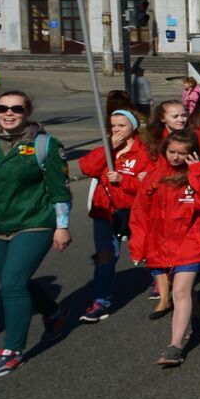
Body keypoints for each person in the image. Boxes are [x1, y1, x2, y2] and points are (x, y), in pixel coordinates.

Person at [0, 90, 73, 379]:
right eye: (2, 108)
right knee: (14, 281)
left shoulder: (45, 146)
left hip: (35, 221)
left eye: (16, 109)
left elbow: (59, 189)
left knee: (11, 284)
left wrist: (62, 226)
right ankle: (53, 313)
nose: (9, 113)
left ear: (27, 112)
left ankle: (12, 351)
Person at [128, 129, 200, 367]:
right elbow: (140, 213)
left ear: (191, 154)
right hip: (163, 244)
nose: (175, 157)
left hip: (192, 241)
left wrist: (197, 173)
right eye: (171, 151)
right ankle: (199, 317)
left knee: (180, 290)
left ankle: (175, 346)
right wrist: (137, 247)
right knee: (182, 287)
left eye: (181, 153)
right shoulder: (155, 176)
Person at [76, 109, 149, 322]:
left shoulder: (143, 152)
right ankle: (102, 300)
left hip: (132, 212)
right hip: (105, 211)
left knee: (147, 251)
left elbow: (148, 185)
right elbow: (87, 168)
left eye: (122, 125)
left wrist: (124, 181)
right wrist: (109, 148)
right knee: (105, 256)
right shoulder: (108, 150)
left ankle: (161, 282)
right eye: (113, 126)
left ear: (133, 127)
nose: (116, 130)